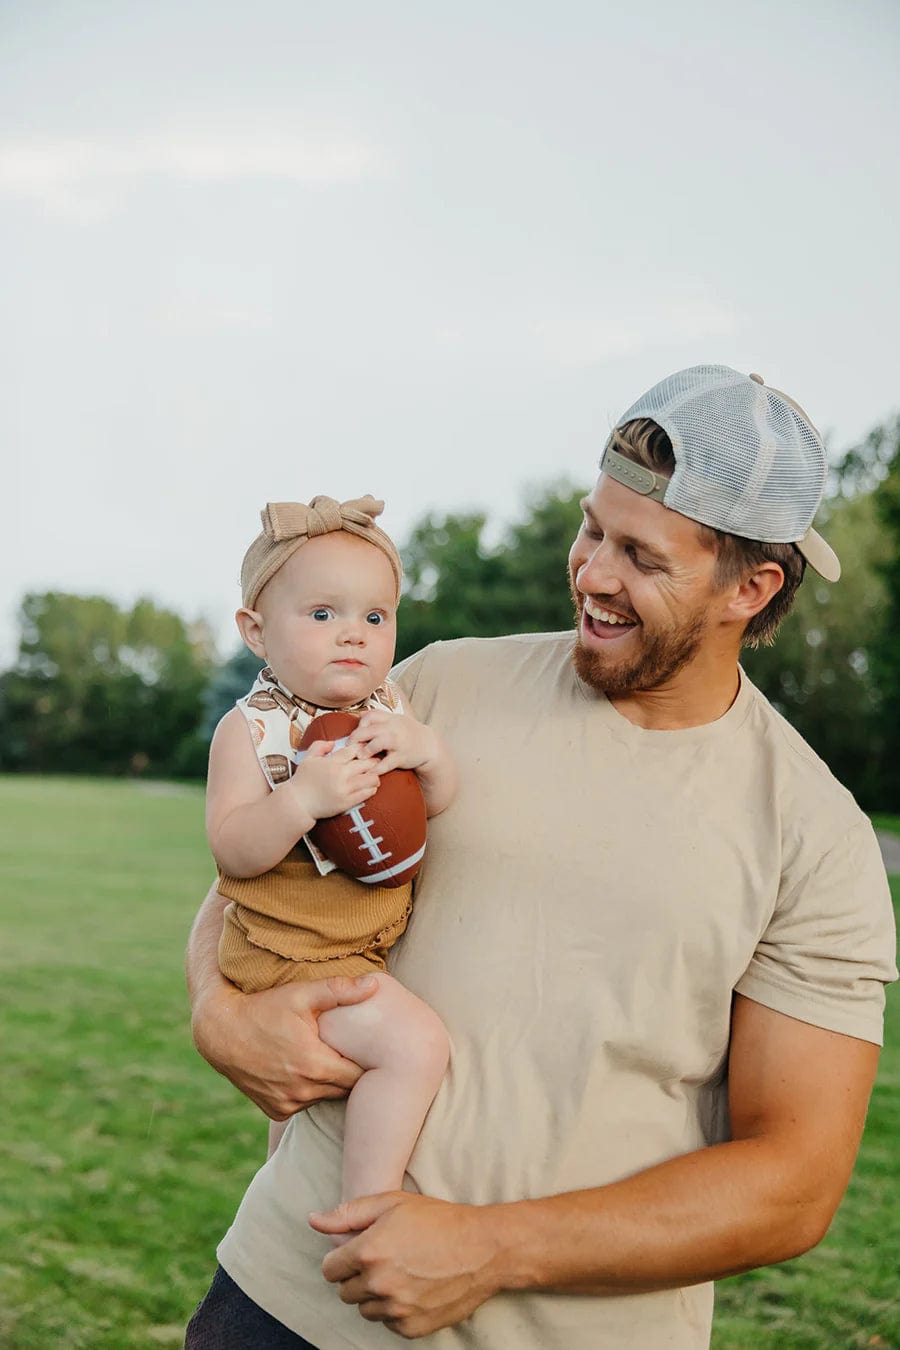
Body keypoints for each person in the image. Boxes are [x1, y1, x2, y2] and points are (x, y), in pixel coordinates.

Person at [186, 366, 897, 1350]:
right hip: (286, 1306)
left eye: (641, 555)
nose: (594, 574)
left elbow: (793, 1184)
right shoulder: (431, 687)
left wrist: (493, 1247)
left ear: (752, 587)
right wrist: (219, 1013)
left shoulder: (816, 839)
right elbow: (249, 879)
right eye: (591, 530)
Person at [205, 494, 453, 1207]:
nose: (353, 635)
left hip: (356, 943)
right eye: (323, 615)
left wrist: (428, 753)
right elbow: (232, 851)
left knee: (300, 1116)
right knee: (414, 1046)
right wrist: (300, 800)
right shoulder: (250, 731)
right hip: (289, 953)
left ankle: (278, 1203)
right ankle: (370, 1206)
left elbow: (433, 805)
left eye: (374, 617)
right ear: (256, 630)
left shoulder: (391, 708)